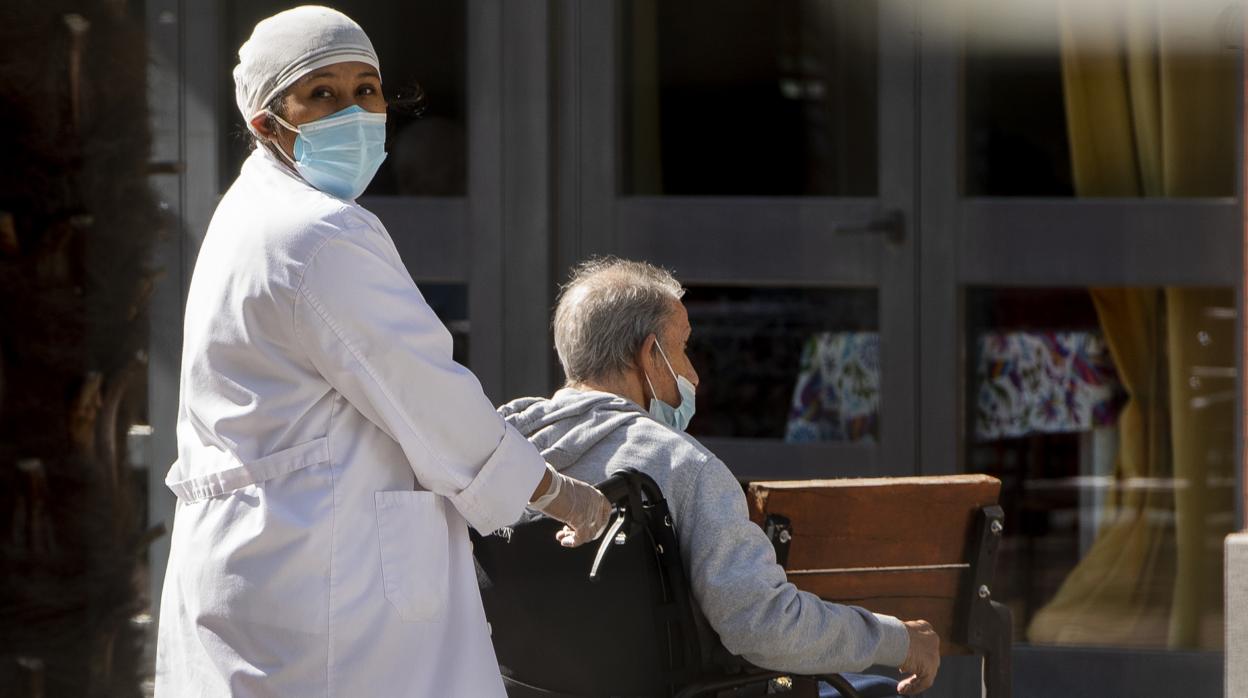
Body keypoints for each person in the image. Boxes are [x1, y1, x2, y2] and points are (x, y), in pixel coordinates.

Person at [154, 7, 611, 696]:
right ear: (266, 123)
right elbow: (427, 395)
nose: (355, 111)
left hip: (265, 569)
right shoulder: (321, 234)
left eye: (366, 89)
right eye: (322, 94)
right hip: (329, 588)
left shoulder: (248, 216)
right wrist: (555, 493)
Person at [499, 258, 941, 696]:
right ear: (650, 355)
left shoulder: (497, 459)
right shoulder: (682, 467)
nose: (693, 374)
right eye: (684, 348)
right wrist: (896, 638)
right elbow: (763, 626)